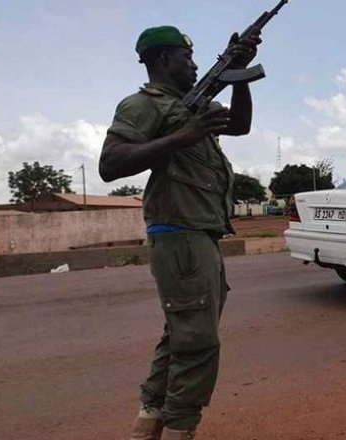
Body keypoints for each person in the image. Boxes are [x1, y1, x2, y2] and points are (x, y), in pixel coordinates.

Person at [99, 26, 261, 440]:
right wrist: (184, 135)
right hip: (180, 233)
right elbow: (111, 163)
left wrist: (237, 74)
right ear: (162, 60)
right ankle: (179, 429)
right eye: (186, 58)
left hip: (197, 234)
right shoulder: (142, 105)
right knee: (198, 342)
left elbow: (239, 125)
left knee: (182, 335)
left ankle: (149, 421)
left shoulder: (187, 106)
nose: (193, 65)